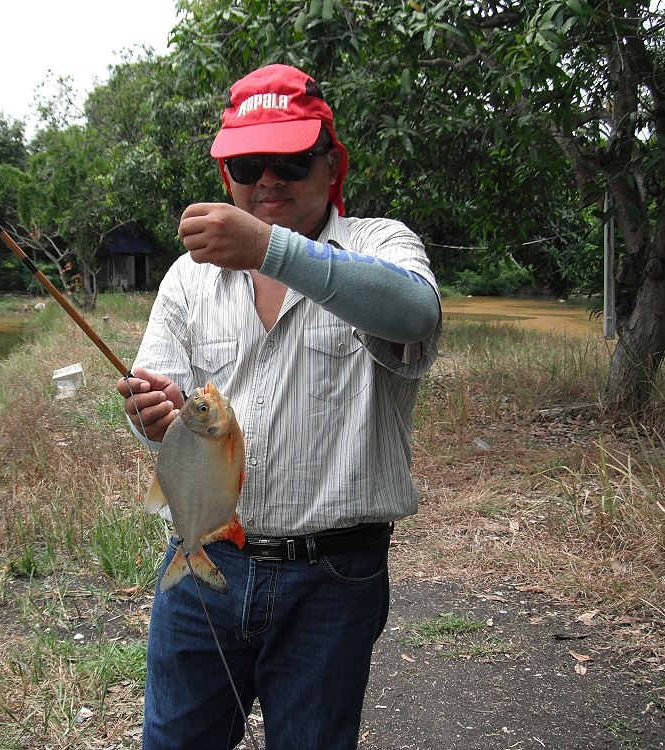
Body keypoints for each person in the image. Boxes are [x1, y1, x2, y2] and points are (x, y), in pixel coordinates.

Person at [115, 63, 442, 750]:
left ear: (330, 163)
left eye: (289, 159)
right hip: (204, 563)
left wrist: (271, 249)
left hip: (333, 576)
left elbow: (414, 315)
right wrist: (155, 417)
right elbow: (165, 414)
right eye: (247, 162)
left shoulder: (379, 246)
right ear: (226, 173)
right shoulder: (187, 275)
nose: (267, 180)